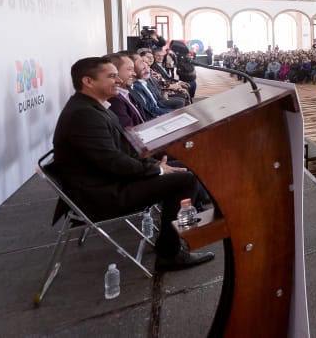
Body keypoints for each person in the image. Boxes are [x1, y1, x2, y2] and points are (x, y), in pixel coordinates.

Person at [51, 57, 213, 272]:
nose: (118, 80)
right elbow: (113, 162)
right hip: (101, 193)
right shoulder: (84, 115)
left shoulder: (95, 107)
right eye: (110, 76)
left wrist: (155, 164)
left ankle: (174, 238)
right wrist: (156, 169)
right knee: (184, 180)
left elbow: (121, 151)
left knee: (183, 164)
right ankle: (170, 253)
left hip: (107, 180)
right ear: (88, 81)